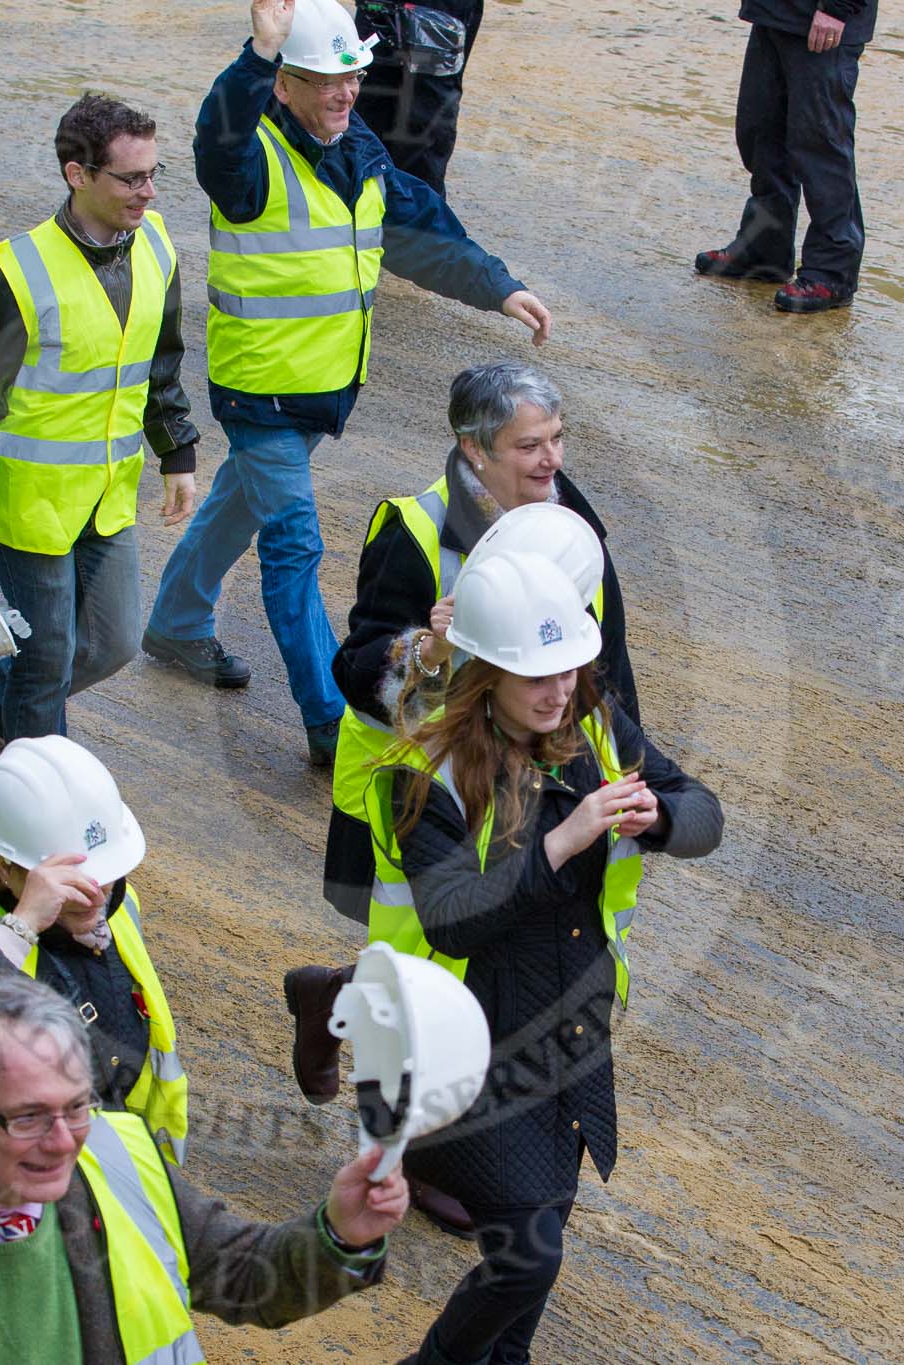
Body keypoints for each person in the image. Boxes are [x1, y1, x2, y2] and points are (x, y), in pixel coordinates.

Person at [141, 0, 553, 768]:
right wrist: (253, 56)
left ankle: (175, 621)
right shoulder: (249, 157)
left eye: (353, 77)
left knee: (241, 500)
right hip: (259, 391)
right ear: (282, 86)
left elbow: (420, 225)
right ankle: (331, 719)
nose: (344, 93)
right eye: (323, 79)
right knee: (293, 543)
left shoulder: (354, 145)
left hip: (320, 390)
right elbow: (213, 139)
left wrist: (499, 286)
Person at [282, 360, 637, 1230]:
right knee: (424, 964)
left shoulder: (572, 527)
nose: (551, 459)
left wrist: (626, 755)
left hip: (521, 776)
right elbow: (356, 664)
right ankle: (401, 1146)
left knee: (487, 960)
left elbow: (603, 660)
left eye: (557, 439)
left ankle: (339, 1004)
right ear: (475, 449)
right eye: (529, 444)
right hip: (419, 787)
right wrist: (428, 650)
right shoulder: (412, 527)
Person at [371, 553, 722, 1364]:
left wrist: (657, 815)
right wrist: (566, 839)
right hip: (463, 1046)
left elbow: (705, 812)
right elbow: (453, 918)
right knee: (531, 1256)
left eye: (567, 668)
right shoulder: (426, 773)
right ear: (486, 673)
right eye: (536, 675)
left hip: (572, 1033)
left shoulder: (595, 727)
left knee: (532, 1251)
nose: (559, 689)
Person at [0, 973, 410, 1363]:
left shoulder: (121, 1153)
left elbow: (242, 1273)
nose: (64, 1142)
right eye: (28, 1116)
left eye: (78, 1105)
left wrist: (340, 1232)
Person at [0, 95, 201, 762]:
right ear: (76, 174)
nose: (147, 191)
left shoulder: (158, 247)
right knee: (47, 651)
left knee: (111, 642)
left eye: (152, 174)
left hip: (105, 497)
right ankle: (36, 807)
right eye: (130, 178)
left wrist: (177, 452)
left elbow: (160, 362)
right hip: (26, 506)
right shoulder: (17, 271)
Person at [0, 736, 188, 1166]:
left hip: (108, 1180)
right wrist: (23, 926)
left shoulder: (119, 909)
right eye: (68, 879)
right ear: (5, 867)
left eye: (105, 874)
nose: (94, 895)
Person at [693, 0, 876, 313]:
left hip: (824, 18)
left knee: (821, 147)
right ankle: (765, 247)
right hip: (775, 12)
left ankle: (832, 273)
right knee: (761, 132)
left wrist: (836, 7)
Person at [353, 0, 486, 195]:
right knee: (361, 117)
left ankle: (412, 215)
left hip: (437, 11)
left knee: (421, 127)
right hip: (379, 10)